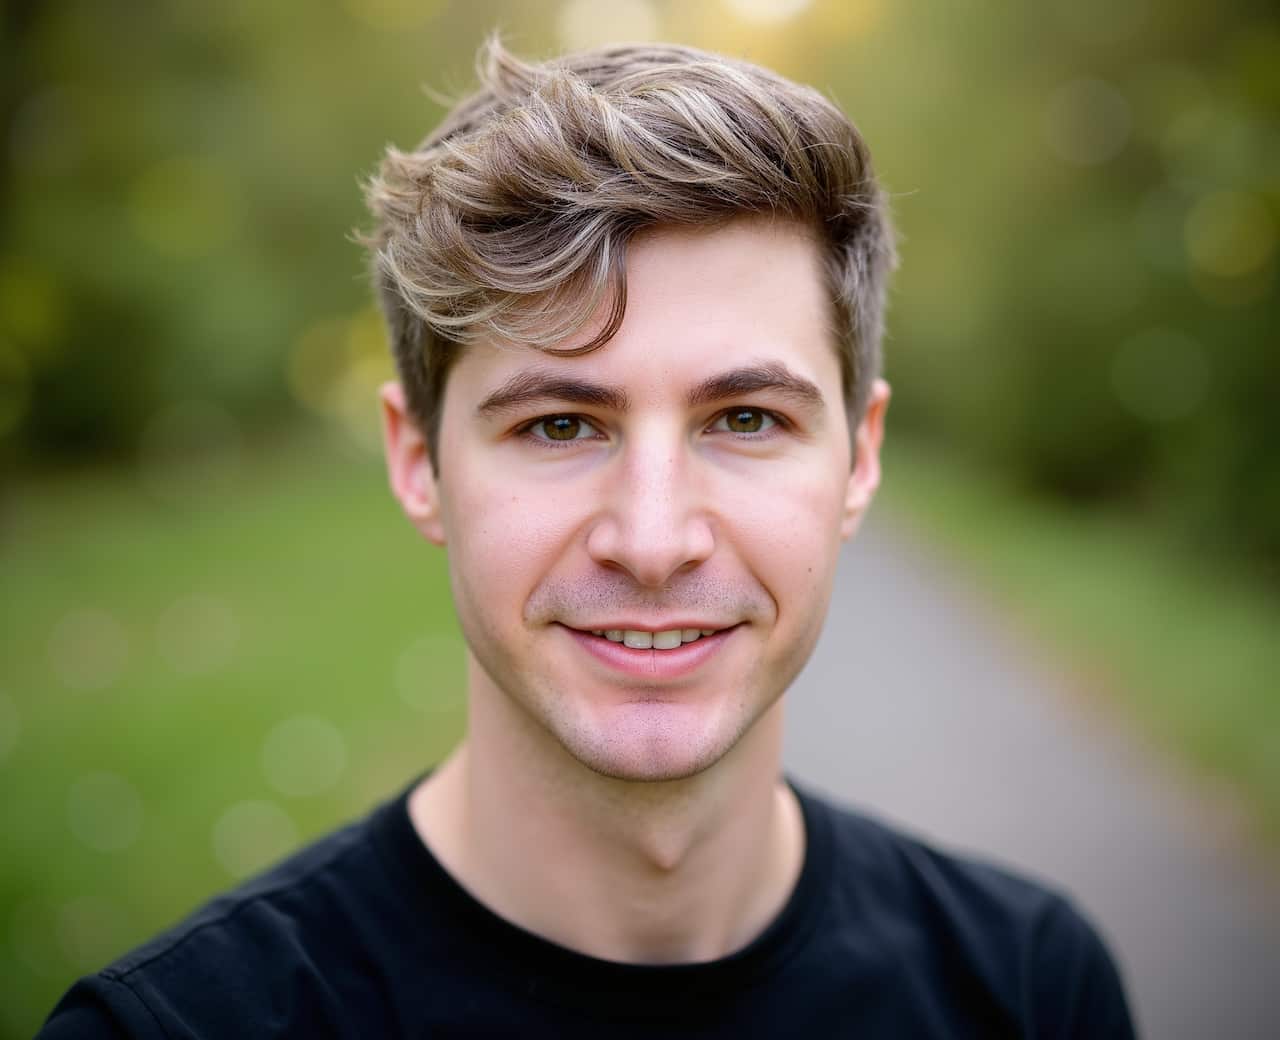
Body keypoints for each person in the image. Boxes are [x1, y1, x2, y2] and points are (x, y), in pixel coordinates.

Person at [39, 38, 1136, 1038]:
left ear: (857, 455)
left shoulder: (1031, 988)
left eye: (744, 419)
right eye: (559, 423)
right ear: (418, 460)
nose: (652, 540)